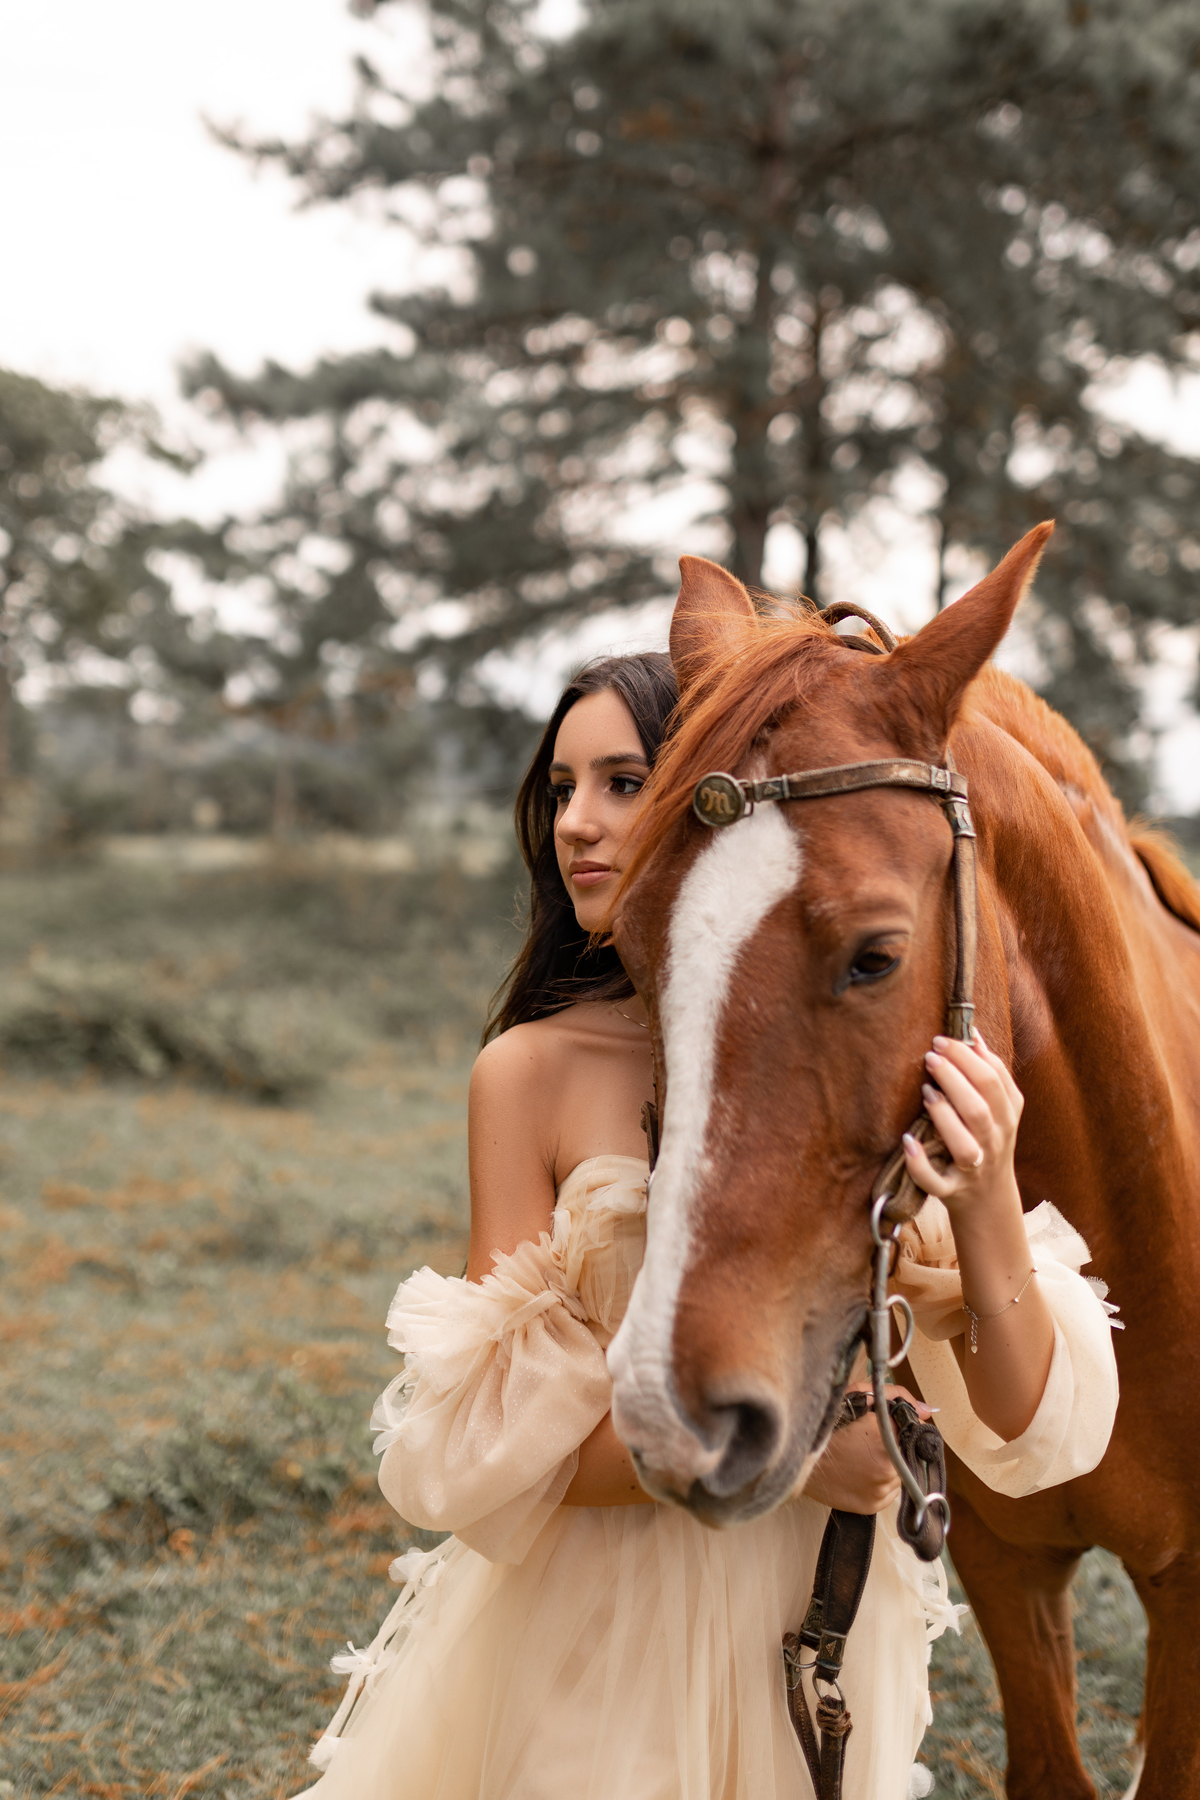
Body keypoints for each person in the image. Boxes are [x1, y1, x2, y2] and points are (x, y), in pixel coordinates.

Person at [296, 651, 1119, 1800]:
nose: (577, 822)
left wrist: (986, 1200)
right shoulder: (532, 1073)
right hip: (601, 1638)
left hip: (817, 1641)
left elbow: (1026, 1427)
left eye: (625, 782)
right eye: (562, 787)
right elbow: (489, 1448)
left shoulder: (841, 1067)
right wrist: (797, 1463)